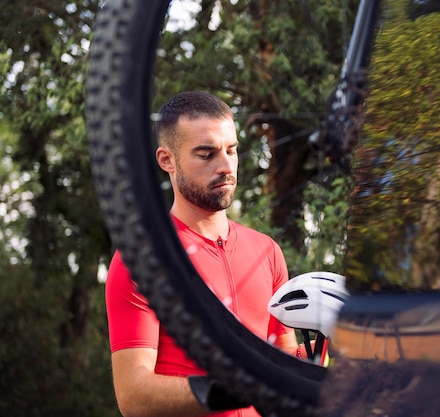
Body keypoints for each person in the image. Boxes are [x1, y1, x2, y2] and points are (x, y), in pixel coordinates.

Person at [105, 91, 302, 417]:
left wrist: (330, 347)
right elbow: (133, 397)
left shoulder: (267, 251)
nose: (226, 166)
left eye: (232, 150)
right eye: (206, 154)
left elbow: (288, 364)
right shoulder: (142, 258)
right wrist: (235, 388)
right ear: (167, 159)